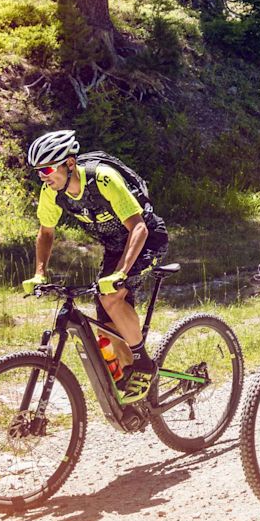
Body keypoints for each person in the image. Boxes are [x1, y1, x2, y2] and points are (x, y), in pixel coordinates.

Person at [22, 129, 169, 405]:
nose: (44, 176)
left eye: (48, 168)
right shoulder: (51, 192)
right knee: (106, 328)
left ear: (69, 163)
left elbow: (138, 227)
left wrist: (122, 273)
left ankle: (145, 365)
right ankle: (133, 382)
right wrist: (39, 273)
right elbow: (46, 232)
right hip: (116, 246)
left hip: (147, 237)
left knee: (110, 297)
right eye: (39, 172)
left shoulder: (102, 178)